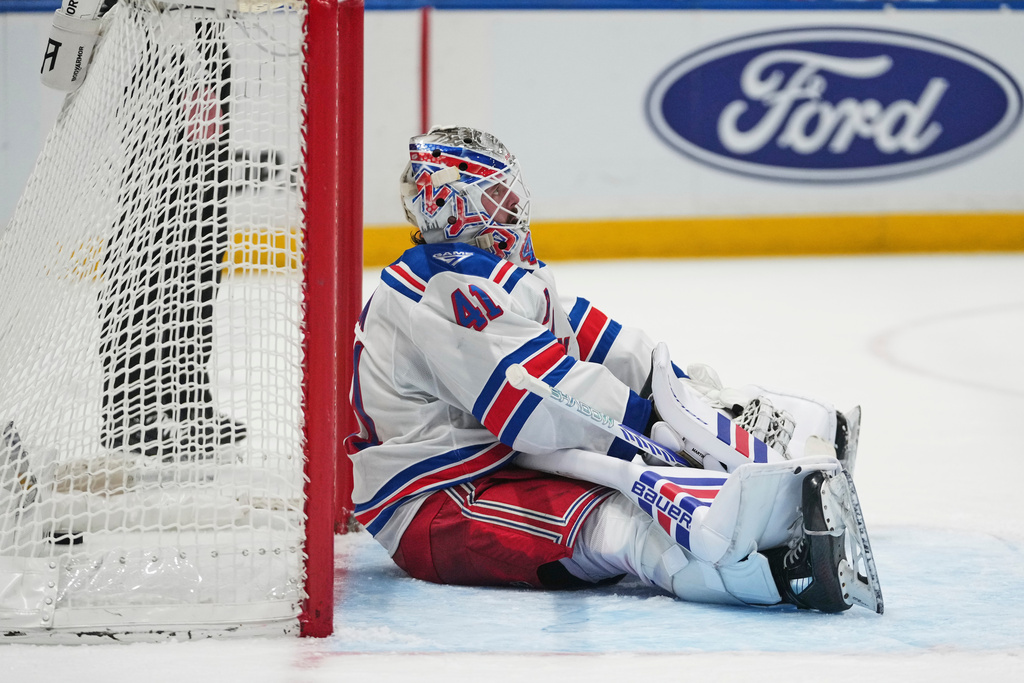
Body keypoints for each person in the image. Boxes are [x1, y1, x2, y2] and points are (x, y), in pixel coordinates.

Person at [344, 125, 879, 613]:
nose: (513, 203)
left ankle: (762, 459)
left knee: (651, 458)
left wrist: (682, 395)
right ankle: (776, 576)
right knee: (622, 525)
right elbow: (537, 402)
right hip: (436, 503)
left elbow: (592, 336)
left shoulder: (492, 271)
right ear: (454, 206)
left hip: (495, 463)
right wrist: (647, 428)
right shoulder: (437, 289)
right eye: (496, 194)